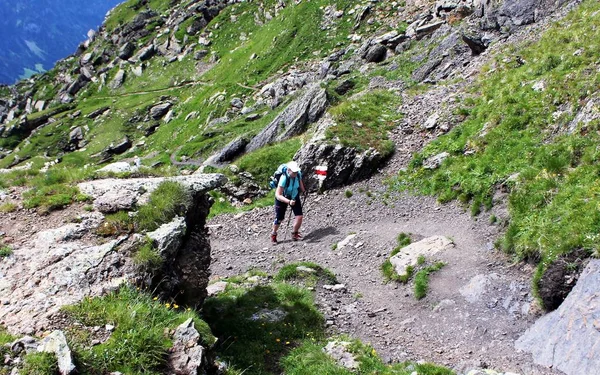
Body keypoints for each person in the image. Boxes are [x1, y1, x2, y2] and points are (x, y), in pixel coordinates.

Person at [271, 161, 306, 244]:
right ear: (289, 170)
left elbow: (300, 182)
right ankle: (273, 234)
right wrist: (289, 201)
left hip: (294, 196)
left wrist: (303, 191)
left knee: (299, 216)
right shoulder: (283, 178)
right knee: (280, 218)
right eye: (294, 172)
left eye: (296, 171)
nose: (295, 173)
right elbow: (278, 195)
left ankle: (295, 233)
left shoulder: (298, 174)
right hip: (283, 198)